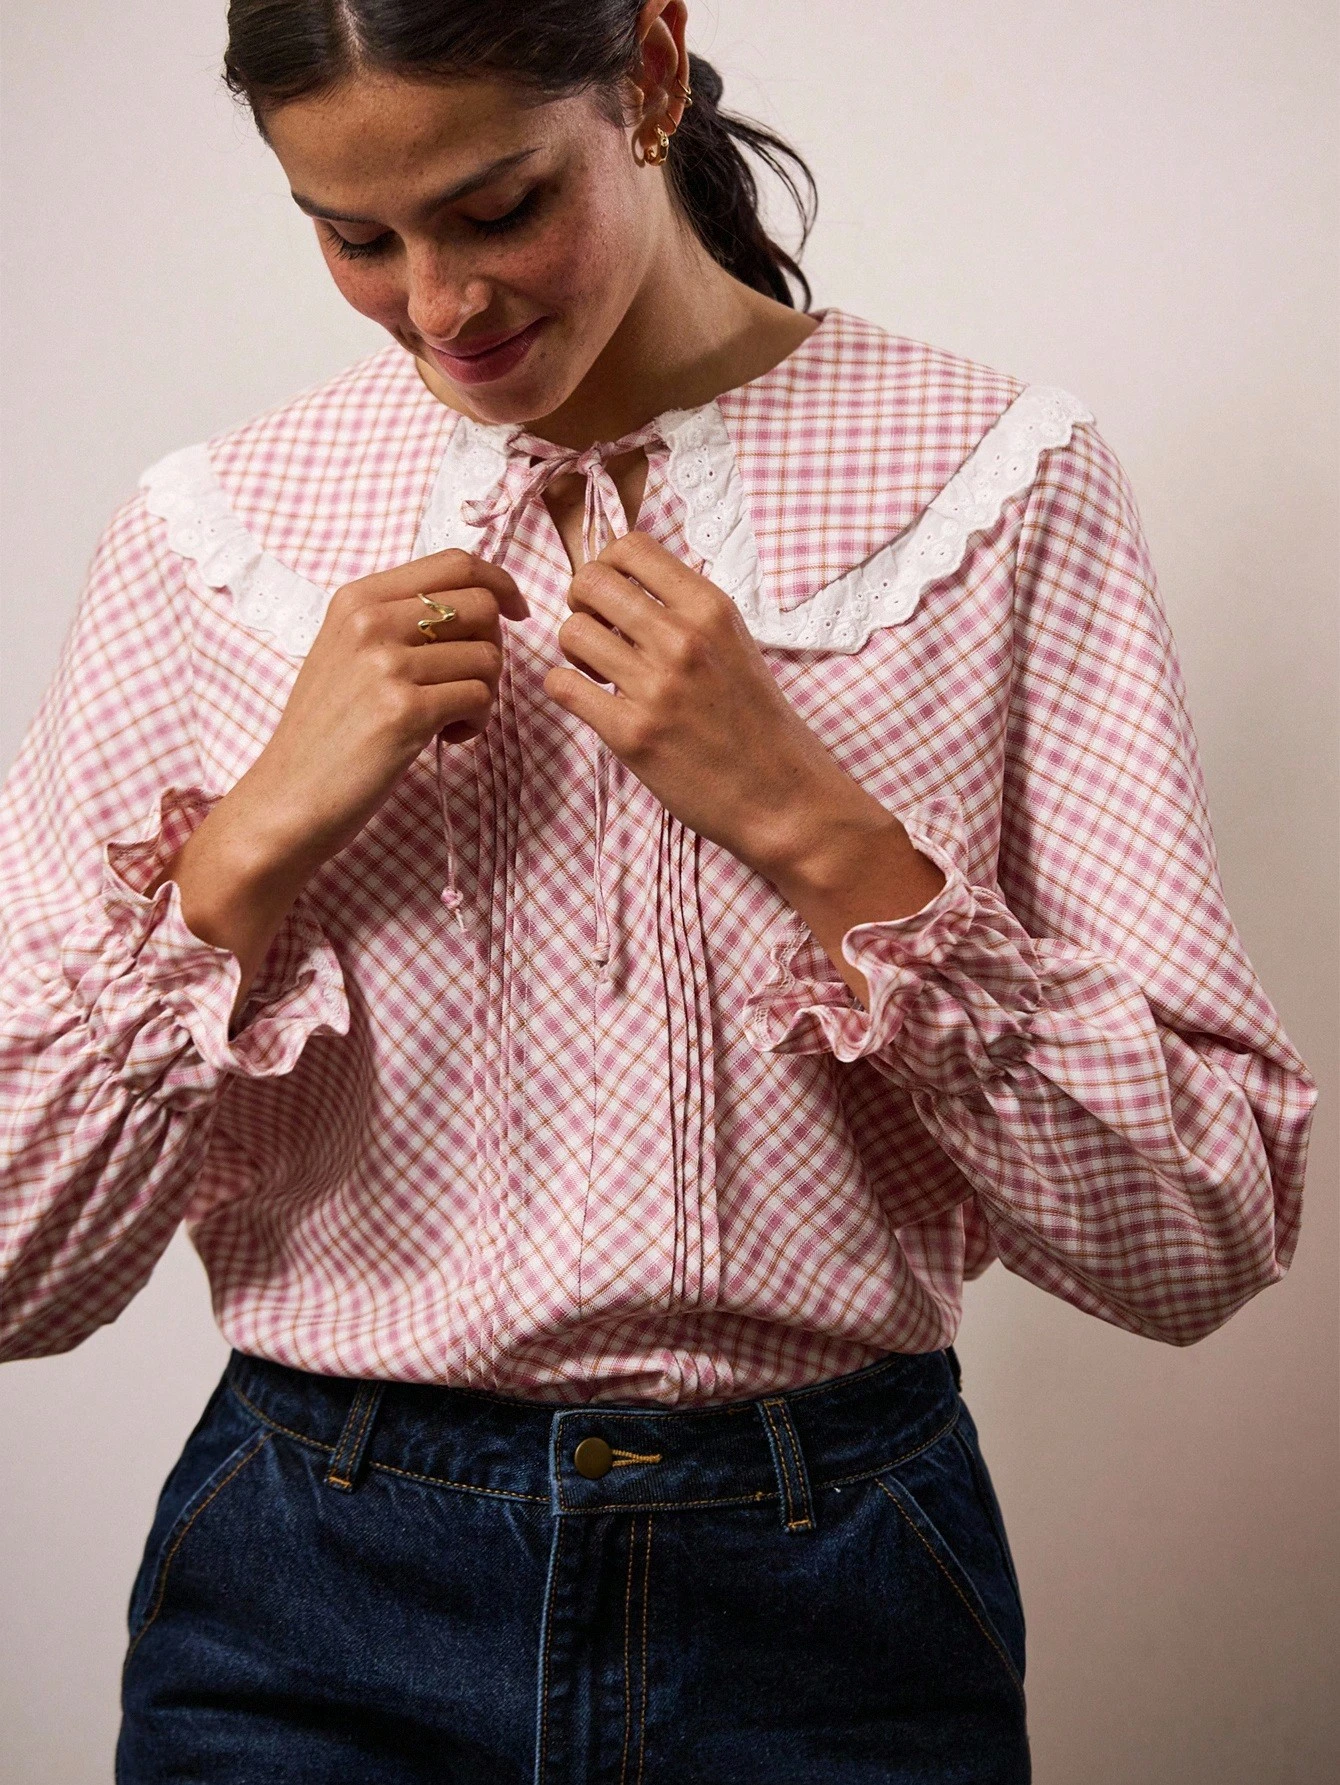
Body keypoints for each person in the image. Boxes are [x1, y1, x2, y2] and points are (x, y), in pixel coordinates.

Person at [0, 1, 1316, 1779]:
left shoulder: (996, 486)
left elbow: (1203, 1234)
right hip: (308, 1599)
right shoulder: (215, 540)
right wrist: (243, 850)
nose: (439, 305)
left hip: (834, 1608)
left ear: (653, 71)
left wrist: (822, 835)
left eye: (497, 207)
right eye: (356, 237)